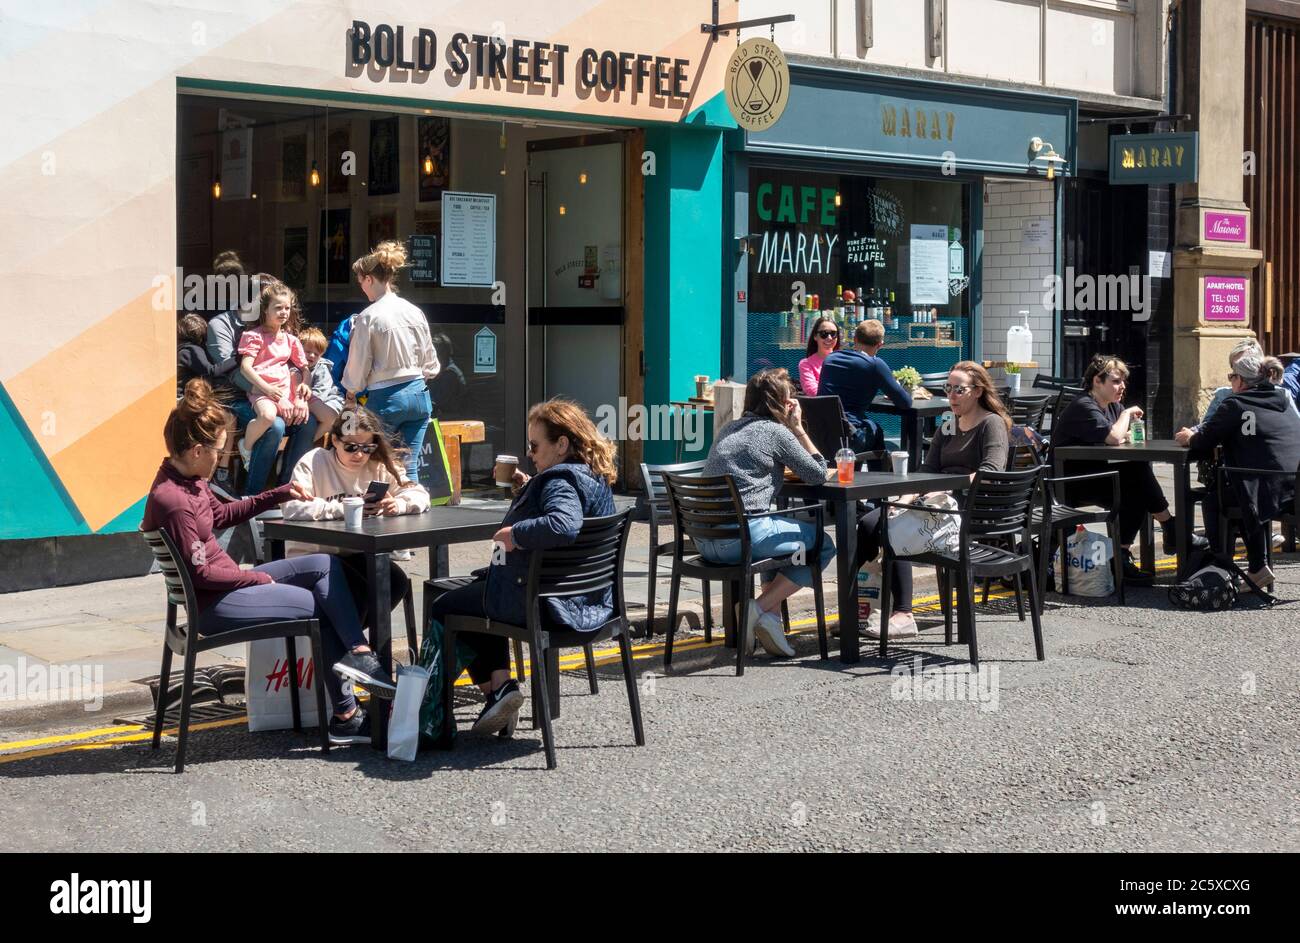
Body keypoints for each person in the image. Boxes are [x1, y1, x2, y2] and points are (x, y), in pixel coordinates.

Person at [141, 379, 395, 745]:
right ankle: (346, 715)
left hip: (226, 584)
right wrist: (256, 581)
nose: (220, 459)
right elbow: (201, 573)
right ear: (197, 450)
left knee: (323, 564)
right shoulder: (175, 500)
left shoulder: (187, 482)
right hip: (217, 602)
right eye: (219, 452)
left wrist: (278, 492)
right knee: (321, 606)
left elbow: (224, 515)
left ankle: (357, 652)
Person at [427, 398, 617, 737]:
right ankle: (500, 692)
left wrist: (515, 533)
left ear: (561, 444)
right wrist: (529, 486)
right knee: (481, 595)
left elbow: (563, 524)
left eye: (535, 445)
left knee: (446, 605)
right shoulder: (592, 476)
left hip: (546, 605)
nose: (530, 451)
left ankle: (464, 704)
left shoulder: (558, 481)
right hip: (590, 602)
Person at [858, 362, 1011, 639]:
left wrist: (947, 488)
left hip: (969, 507)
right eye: (948, 388)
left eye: (959, 389)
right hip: (936, 502)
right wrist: (905, 497)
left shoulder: (992, 423)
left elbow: (992, 471)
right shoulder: (949, 424)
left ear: (977, 391)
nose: (951, 395)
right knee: (870, 522)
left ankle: (903, 614)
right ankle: (861, 609)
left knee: (890, 528)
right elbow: (929, 469)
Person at [697, 368, 836, 658]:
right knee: (823, 545)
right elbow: (818, 473)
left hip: (705, 541)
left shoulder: (729, 428)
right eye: (790, 400)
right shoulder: (775, 432)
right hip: (741, 539)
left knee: (781, 536)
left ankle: (770, 620)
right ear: (782, 404)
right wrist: (798, 428)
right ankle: (757, 608)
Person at [1051, 354, 1203, 585]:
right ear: (1096, 382)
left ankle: (1121, 555)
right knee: (1136, 475)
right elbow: (1113, 437)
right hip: (1070, 482)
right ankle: (1169, 527)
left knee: (1136, 483)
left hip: (1097, 476)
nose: (1122, 386)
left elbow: (1123, 437)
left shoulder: (1112, 407)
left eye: (1123, 381)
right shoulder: (1084, 405)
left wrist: (1122, 428)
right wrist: (1124, 417)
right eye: (1115, 381)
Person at [281, 406, 430, 632]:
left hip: (357, 553)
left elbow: (420, 494)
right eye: (351, 447)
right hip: (315, 555)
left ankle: (349, 642)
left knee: (394, 580)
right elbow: (292, 507)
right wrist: (342, 508)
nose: (359, 455)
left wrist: (398, 504)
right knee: (356, 588)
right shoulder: (314, 461)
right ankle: (348, 647)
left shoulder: (378, 465)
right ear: (335, 441)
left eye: (367, 447)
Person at [1175, 350, 1300, 590]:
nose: (1230, 380)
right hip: (1292, 491)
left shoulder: (1235, 403)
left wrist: (1191, 436)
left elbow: (1204, 441)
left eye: (1232, 376)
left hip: (1262, 492)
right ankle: (1256, 565)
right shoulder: (1283, 400)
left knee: (1214, 499)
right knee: (1238, 488)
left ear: (1241, 380)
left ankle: (1225, 568)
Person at [207, 271, 317, 495]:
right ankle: (254, 495)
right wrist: (270, 394)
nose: (282, 310)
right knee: (274, 425)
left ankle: (285, 489)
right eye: (270, 300)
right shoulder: (221, 325)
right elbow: (233, 371)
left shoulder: (279, 328)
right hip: (236, 397)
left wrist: (297, 397)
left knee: (307, 421)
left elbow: (295, 365)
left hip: (276, 393)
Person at [341, 241, 441, 482]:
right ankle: (413, 509)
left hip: (385, 398)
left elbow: (357, 369)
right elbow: (432, 366)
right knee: (409, 467)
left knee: (376, 467)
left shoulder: (368, 317)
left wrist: (351, 392)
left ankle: (379, 515)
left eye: (360, 282)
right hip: (419, 394)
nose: (362, 289)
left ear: (367, 279)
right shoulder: (414, 311)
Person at [237, 280, 312, 463]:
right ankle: (245, 446)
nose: (284, 312)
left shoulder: (290, 340)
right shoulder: (254, 336)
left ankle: (284, 463)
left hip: (284, 393)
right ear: (265, 310)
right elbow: (245, 367)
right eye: (278, 308)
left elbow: (305, 368)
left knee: (305, 421)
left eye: (287, 308)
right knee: (268, 416)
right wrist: (267, 389)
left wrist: (304, 387)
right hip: (263, 391)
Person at [817, 318, 911, 452]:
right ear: (880, 345)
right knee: (876, 431)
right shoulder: (875, 365)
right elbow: (905, 403)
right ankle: (878, 473)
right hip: (849, 438)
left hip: (822, 436)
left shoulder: (830, 359)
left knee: (868, 425)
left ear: (855, 339)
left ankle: (858, 472)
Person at [296, 327, 345, 434]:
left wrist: (302, 402)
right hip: (310, 401)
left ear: (321, 355)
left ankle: (312, 441)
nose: (312, 355)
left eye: (316, 354)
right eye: (308, 351)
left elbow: (320, 393)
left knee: (329, 419)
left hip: (329, 400)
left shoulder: (322, 368)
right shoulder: (294, 366)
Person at [797, 315, 841, 397]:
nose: (829, 338)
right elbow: (813, 392)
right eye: (824, 334)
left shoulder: (843, 361)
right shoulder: (806, 364)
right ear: (815, 336)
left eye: (833, 334)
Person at [176, 314, 219, 398]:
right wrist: (238, 357)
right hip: (184, 399)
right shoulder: (190, 350)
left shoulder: (181, 349)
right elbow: (211, 371)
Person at [428, 333, 468, 419]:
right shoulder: (440, 371)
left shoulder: (450, 374)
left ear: (444, 353)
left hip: (450, 419)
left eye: (436, 353)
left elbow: (439, 403)